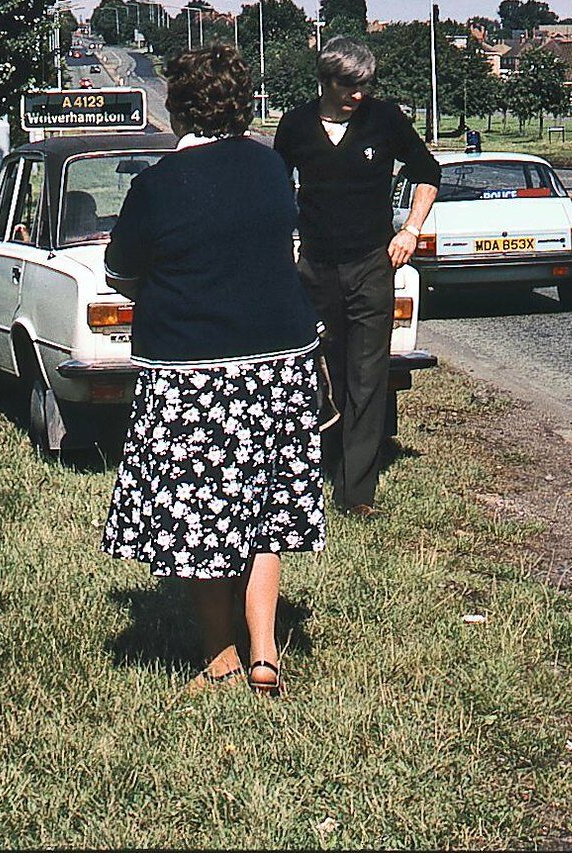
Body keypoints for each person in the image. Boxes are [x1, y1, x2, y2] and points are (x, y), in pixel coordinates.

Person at [102, 45, 328, 695]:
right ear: (241, 103)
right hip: (278, 365)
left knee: (204, 512)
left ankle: (220, 656)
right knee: (262, 507)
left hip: (191, 372)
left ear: (175, 106)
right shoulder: (270, 170)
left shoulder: (156, 185)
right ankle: (265, 653)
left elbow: (121, 272)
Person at [274, 38, 440, 518]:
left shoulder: (384, 119)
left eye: (365, 86)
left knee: (367, 377)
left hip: (371, 265)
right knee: (319, 375)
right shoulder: (295, 125)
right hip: (315, 269)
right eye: (350, 86)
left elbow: (427, 170)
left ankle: (356, 494)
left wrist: (410, 229)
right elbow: (278, 189)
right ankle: (311, 465)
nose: (358, 96)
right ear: (326, 81)